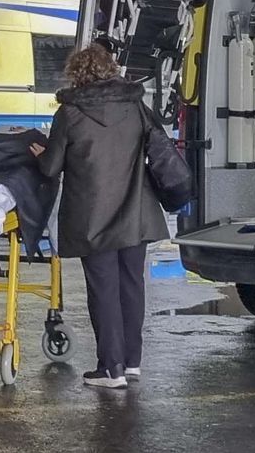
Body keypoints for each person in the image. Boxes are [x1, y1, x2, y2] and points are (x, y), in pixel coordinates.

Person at [32, 44, 168, 389]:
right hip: (136, 211)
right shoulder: (136, 105)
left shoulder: (70, 113)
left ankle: (111, 369)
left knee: (104, 290)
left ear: (76, 74)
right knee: (132, 286)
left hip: (92, 217)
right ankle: (132, 362)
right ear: (110, 69)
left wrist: (38, 153)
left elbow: (50, 168)